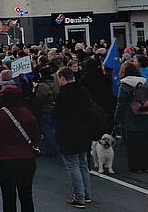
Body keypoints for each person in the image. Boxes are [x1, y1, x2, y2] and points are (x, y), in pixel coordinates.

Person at [0, 86, 40, 212]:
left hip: (5, 159)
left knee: (8, 196)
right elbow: (36, 136)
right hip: (27, 158)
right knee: (26, 194)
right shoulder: (27, 113)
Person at [54, 67, 93, 208]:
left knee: (73, 165)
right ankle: (87, 195)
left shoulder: (63, 94)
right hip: (84, 131)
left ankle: (79, 196)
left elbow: (57, 114)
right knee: (83, 164)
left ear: (63, 78)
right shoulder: (84, 91)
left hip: (68, 133)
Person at [114, 62, 148, 173]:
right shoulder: (143, 81)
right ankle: (145, 164)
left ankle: (135, 166)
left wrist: (116, 117)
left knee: (132, 144)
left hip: (130, 117)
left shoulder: (124, 84)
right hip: (145, 114)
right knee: (144, 142)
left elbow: (121, 103)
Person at [32, 66, 59, 156]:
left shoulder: (43, 86)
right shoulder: (55, 82)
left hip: (46, 110)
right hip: (54, 109)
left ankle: (51, 149)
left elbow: (39, 100)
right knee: (53, 129)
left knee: (47, 131)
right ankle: (56, 147)